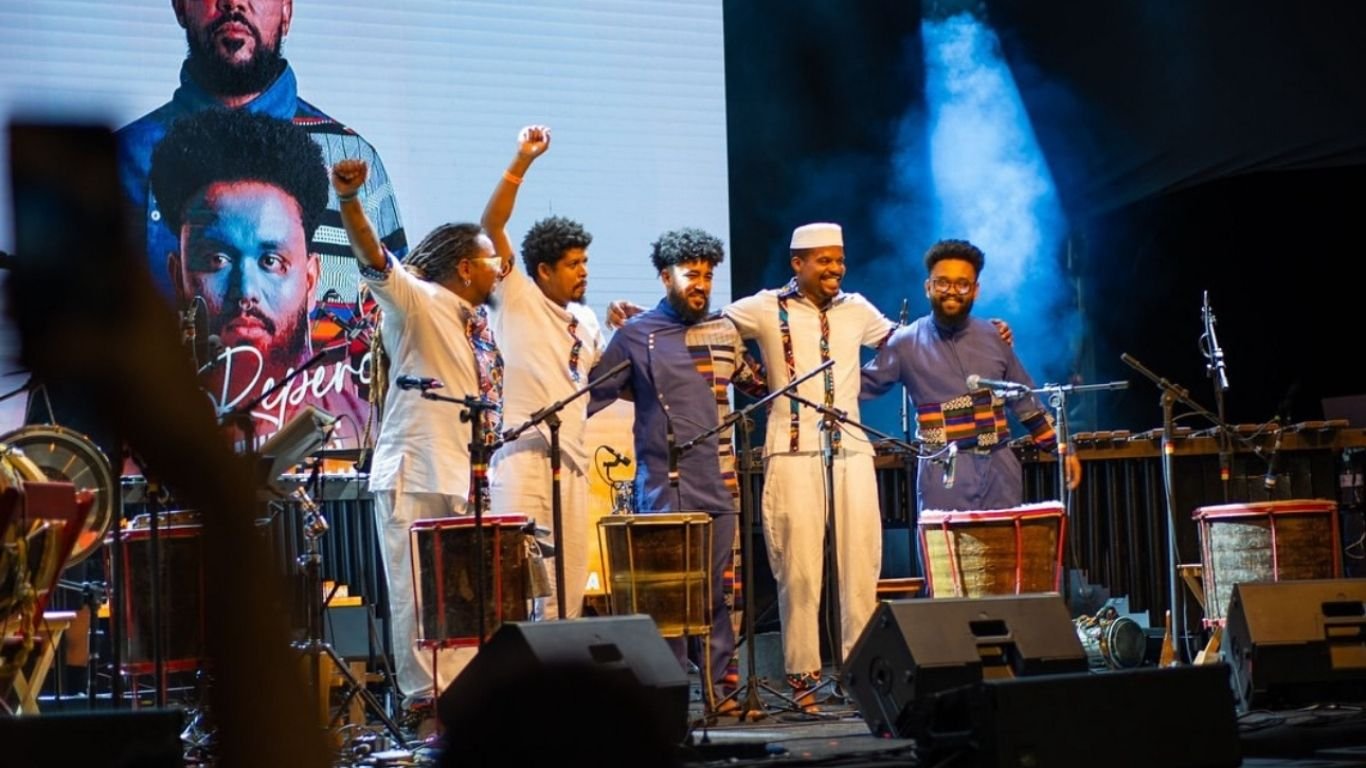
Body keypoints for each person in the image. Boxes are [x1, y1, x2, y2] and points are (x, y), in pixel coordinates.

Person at [331, 156, 503, 717]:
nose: (499, 268)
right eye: (490, 259)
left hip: (465, 472)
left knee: (465, 597)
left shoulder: (477, 324)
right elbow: (373, 257)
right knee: (414, 593)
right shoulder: (416, 300)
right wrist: (351, 202)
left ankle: (467, 702)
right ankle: (424, 702)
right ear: (463, 266)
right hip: (415, 468)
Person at [118, 0, 406, 305]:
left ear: (286, 10)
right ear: (180, 7)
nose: (234, 3)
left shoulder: (352, 166)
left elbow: (404, 334)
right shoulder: (117, 163)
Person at [586, 228, 765, 714]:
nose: (701, 284)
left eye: (708, 275)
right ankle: (667, 701)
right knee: (666, 602)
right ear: (666, 277)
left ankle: (721, 692)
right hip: (663, 487)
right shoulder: (635, 335)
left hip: (722, 483)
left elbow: (761, 385)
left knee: (720, 595)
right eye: (691, 274)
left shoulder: (726, 332)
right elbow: (591, 393)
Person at [149, 108, 367, 447]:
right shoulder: (139, 434)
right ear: (178, 277)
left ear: (310, 281)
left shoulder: (357, 428)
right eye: (216, 260)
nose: (246, 292)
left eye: (270, 261)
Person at [480, 126, 604, 621]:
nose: (584, 272)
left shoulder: (589, 320)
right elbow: (491, 223)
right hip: (521, 460)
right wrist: (522, 159)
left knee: (570, 589)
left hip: (571, 462)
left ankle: (565, 687)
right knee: (528, 587)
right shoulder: (518, 297)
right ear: (544, 271)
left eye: (586, 262)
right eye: (573, 264)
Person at [861, 238, 1081, 513]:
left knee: (1004, 555)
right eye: (942, 282)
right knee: (946, 557)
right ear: (928, 287)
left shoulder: (994, 336)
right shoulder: (904, 343)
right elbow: (859, 386)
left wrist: (1063, 449)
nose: (951, 291)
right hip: (943, 476)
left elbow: (1026, 402)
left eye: (962, 284)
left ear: (975, 290)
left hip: (1001, 475)